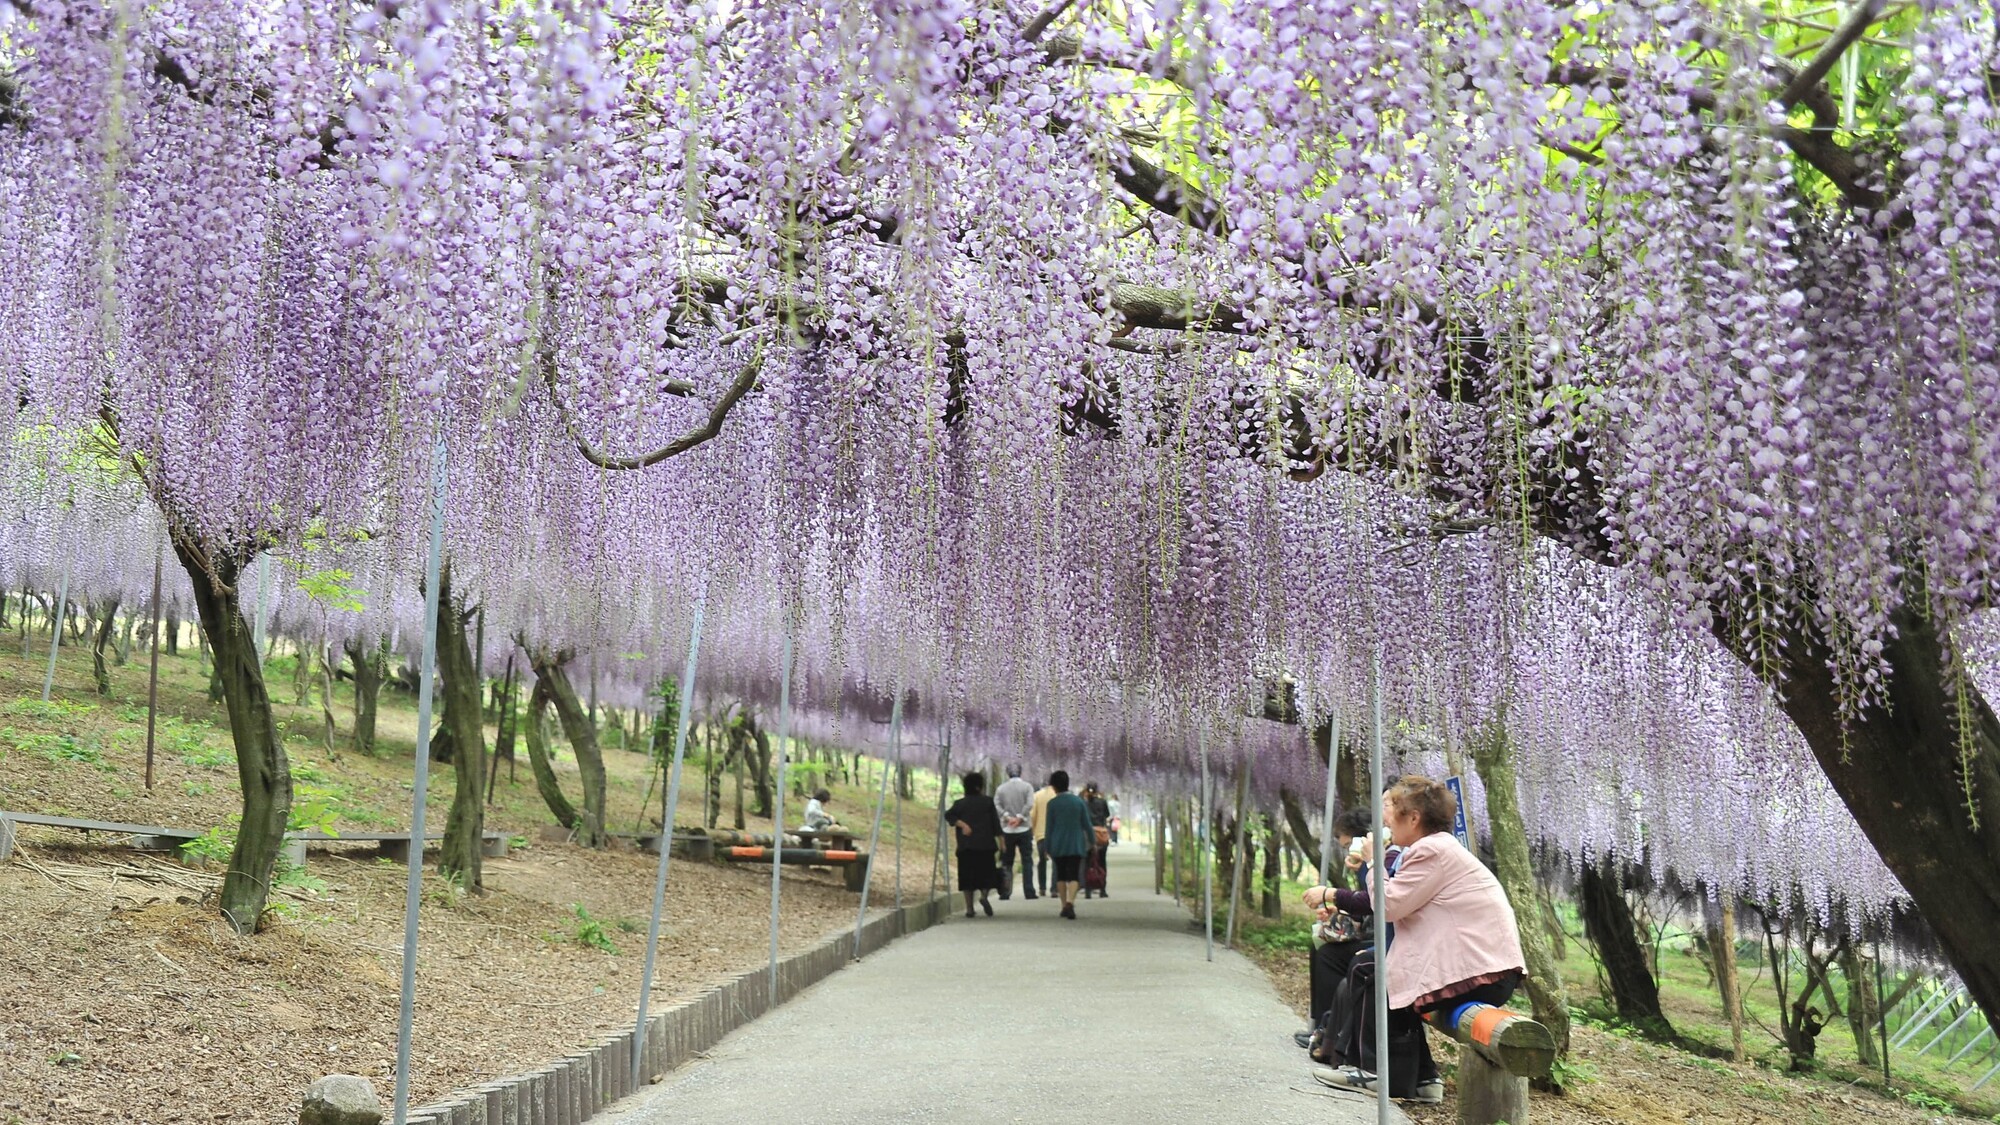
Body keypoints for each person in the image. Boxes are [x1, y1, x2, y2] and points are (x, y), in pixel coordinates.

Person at [1315, 776, 1526, 1104]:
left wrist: (1374, 861)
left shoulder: (1432, 850)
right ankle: (1424, 1078)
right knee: (1385, 969)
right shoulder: (1434, 849)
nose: (1386, 819)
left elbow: (1388, 905)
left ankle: (1372, 1071)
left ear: (1413, 818)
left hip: (1483, 973)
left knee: (1376, 973)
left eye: (1393, 810)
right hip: (1486, 970)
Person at [1294, 807, 1375, 1047]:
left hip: (1387, 941)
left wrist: (1330, 894)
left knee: (1330, 955)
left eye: (1349, 844)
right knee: (1318, 945)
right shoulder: (1366, 865)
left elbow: (1377, 902)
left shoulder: (1377, 861)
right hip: (1373, 932)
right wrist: (1340, 913)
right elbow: (1367, 904)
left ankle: (1330, 1031)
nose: (1347, 851)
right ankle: (1321, 1025)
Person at [944, 772, 1005, 918]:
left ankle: (970, 909)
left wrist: (962, 824)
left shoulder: (960, 804)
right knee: (986, 875)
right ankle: (984, 896)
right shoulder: (988, 802)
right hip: (986, 846)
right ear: (979, 787)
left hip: (966, 847)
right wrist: (1002, 842)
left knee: (967, 879)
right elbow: (996, 824)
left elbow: (948, 815)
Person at [1041, 770, 1094, 919]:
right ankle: (1071, 902)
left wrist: (1047, 847)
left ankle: (1064, 905)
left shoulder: (1052, 804)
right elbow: (1087, 824)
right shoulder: (1078, 802)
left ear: (1054, 787)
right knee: (1074, 875)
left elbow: (1049, 827)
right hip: (1076, 843)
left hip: (1058, 844)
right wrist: (1093, 841)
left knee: (1061, 875)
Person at [993, 764, 1038, 900]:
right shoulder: (1027, 787)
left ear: (1007, 774)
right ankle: (1029, 892)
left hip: (1007, 829)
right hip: (1024, 828)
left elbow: (996, 804)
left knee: (1007, 862)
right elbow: (1030, 804)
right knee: (1027, 861)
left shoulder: (1001, 789)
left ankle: (1005, 892)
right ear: (1021, 772)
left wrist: (1007, 817)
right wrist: (1020, 817)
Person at [1030, 773, 1058, 901]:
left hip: (1041, 834)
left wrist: (1032, 831)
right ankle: (1054, 889)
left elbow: (1032, 816)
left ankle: (1042, 888)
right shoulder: (1058, 795)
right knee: (1056, 861)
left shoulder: (1037, 796)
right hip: (1056, 834)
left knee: (1042, 861)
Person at [1082, 783, 1112, 898]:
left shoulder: (1084, 803)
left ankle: (1088, 891)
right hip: (1101, 835)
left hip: (1088, 835)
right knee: (1102, 862)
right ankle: (1102, 889)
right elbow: (1107, 815)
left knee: (1087, 863)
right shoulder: (1102, 802)